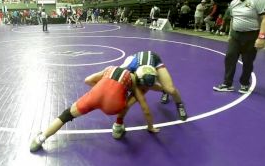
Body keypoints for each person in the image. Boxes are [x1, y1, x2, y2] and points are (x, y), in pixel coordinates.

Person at [30, 65, 160, 152]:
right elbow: (145, 109)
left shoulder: (111, 68)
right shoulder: (136, 87)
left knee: (65, 116)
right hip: (114, 107)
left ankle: (40, 139)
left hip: (93, 97)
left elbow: (87, 80)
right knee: (128, 101)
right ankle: (118, 127)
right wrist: (150, 127)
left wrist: (99, 92)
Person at [213, 0, 265, 94]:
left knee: (247, 61)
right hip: (235, 36)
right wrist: (230, 34)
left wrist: (261, 37)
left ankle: (244, 83)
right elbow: (233, 19)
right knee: (230, 58)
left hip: (252, 36)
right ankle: (227, 83)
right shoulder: (234, 2)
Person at [110, 51, 188, 139]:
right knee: (127, 103)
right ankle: (118, 123)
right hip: (137, 71)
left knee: (171, 90)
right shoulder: (127, 67)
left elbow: (145, 108)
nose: (145, 89)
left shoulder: (152, 72)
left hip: (154, 60)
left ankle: (179, 104)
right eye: (143, 86)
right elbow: (113, 74)